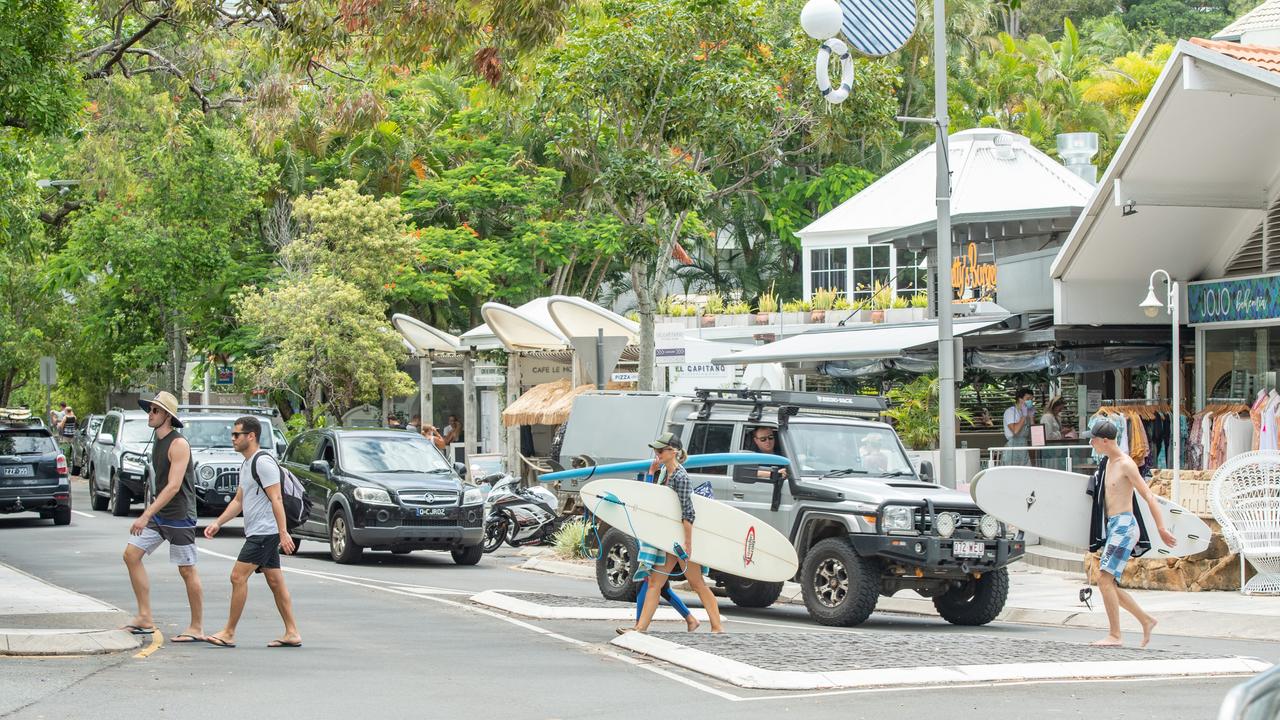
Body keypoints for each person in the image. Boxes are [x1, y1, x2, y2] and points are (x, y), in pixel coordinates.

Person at [203, 415, 302, 649]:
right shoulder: (247, 464)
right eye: (232, 435)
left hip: (265, 532)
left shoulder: (263, 463)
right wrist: (218, 523)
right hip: (259, 531)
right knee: (276, 582)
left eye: (237, 435)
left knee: (237, 577)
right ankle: (292, 632)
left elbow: (277, 498)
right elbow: (239, 500)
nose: (233, 439)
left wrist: (283, 533)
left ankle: (229, 632)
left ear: (251, 436)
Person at [121, 391, 205, 643]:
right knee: (131, 555)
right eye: (150, 410)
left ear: (167, 416)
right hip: (161, 516)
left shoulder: (178, 444)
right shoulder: (158, 439)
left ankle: (197, 627)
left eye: (155, 411)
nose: (150, 414)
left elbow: (173, 486)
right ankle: (145, 617)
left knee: (187, 570)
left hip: (179, 517)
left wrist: (145, 514)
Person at [622, 433, 724, 635]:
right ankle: (639, 628)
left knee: (696, 584)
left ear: (673, 451)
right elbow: (655, 502)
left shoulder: (680, 476)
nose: (657, 453)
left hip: (681, 540)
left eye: (661, 450)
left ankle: (717, 626)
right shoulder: (664, 474)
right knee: (654, 583)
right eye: (656, 450)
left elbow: (688, 512)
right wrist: (652, 474)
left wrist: (688, 543)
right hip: (668, 538)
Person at [1087, 419, 1176, 647]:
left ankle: (1115, 635)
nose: (1091, 442)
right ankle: (1145, 620)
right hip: (1114, 526)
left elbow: (1148, 496)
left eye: (1094, 439)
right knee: (1107, 582)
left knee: (1104, 579)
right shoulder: (1106, 462)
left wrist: (1161, 528)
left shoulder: (1126, 464)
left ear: (1105, 441)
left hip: (1125, 527)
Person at [1002, 388, 1035, 465]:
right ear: (1020, 399)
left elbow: (1034, 432)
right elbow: (1015, 430)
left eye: (1032, 399)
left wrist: (1031, 417)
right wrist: (1024, 415)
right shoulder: (1010, 411)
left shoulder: (1026, 413)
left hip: (1024, 446)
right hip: (1012, 447)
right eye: (1028, 399)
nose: (1030, 401)